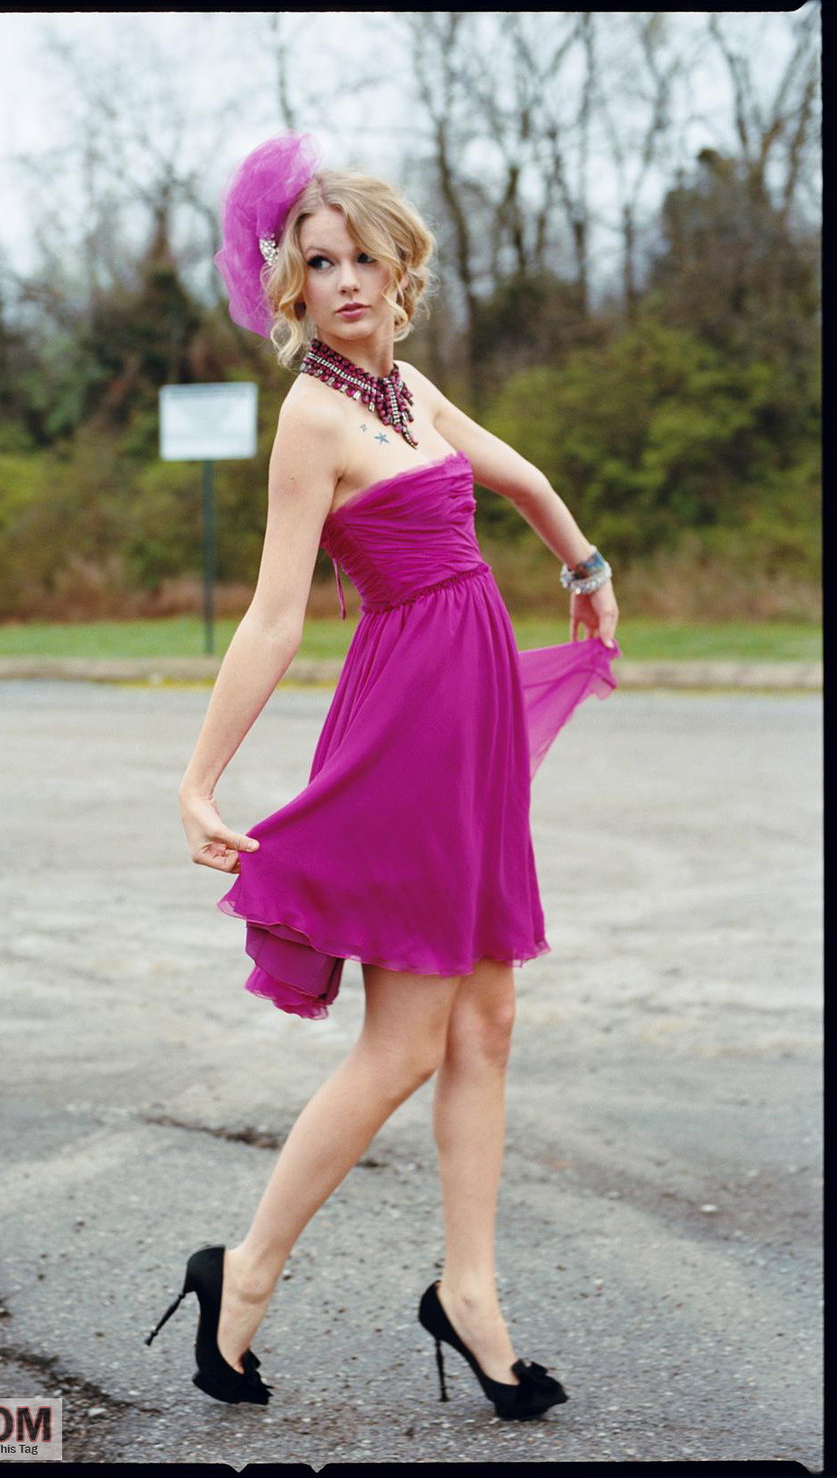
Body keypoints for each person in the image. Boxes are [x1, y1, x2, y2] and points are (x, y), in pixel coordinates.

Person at [145, 134, 619, 1421]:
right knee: (404, 1042)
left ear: (396, 267)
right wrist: (197, 779)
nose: (345, 280)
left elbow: (515, 475)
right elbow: (272, 616)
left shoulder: (402, 387)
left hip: (472, 721)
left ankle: (469, 1290)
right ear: (287, 285)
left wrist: (583, 568)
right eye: (319, 262)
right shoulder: (310, 417)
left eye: (362, 257)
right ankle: (242, 1273)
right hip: (408, 729)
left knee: (487, 1017)